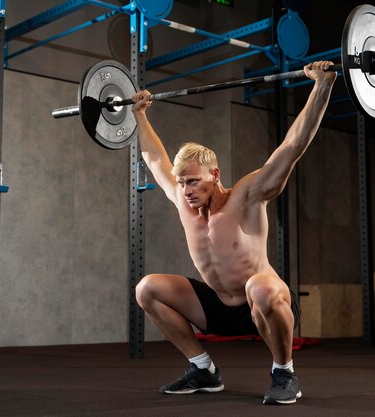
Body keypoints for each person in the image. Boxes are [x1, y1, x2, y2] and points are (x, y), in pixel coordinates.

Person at [131, 61, 336, 405]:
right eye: (181, 183)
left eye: (193, 181)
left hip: (263, 302)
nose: (186, 190)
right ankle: (203, 370)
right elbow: (154, 159)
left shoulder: (248, 196)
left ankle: (284, 372)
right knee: (147, 288)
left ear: (214, 173)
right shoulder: (184, 200)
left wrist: (322, 86)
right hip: (217, 308)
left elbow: (293, 146)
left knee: (260, 286)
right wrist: (139, 114)